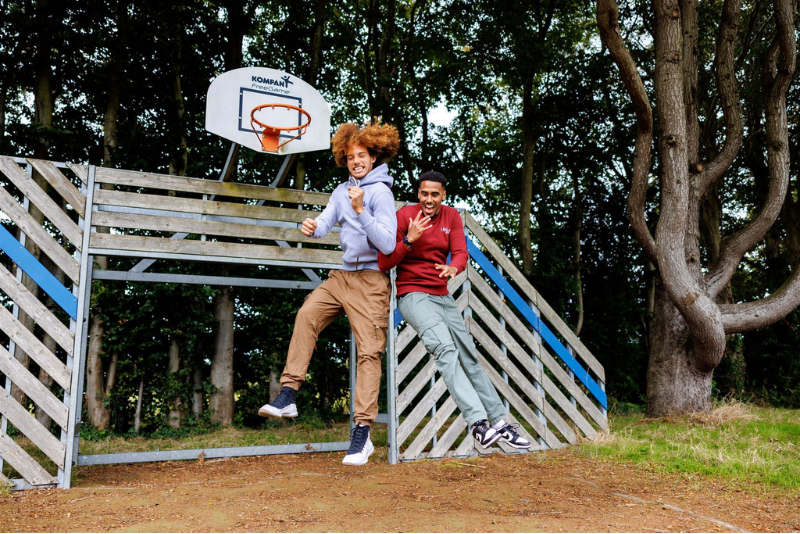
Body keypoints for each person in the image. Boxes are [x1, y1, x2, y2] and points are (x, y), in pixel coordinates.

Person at [259, 120, 400, 466]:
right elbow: (326, 221)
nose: (356, 161)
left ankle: (362, 432)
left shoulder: (381, 193)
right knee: (307, 315)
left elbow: (387, 242)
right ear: (344, 159)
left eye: (362, 155)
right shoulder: (341, 191)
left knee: (369, 353)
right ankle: (289, 393)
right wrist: (313, 227)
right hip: (341, 277)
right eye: (350, 156)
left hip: (371, 280)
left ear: (374, 156)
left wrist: (361, 211)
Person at [378, 171, 532, 450]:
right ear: (418, 194)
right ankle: (478, 423)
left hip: (442, 296)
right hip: (413, 295)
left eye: (434, 194)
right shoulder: (404, 217)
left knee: (469, 358)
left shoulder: (452, 217)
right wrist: (409, 239)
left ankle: (499, 421)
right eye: (424, 193)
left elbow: (461, 252)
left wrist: (454, 267)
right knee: (446, 350)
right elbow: (384, 262)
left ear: (443, 195)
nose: (428, 199)